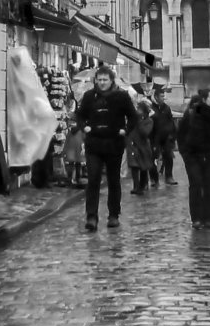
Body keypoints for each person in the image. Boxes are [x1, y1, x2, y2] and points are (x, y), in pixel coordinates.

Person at [73, 67, 138, 231]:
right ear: (96, 80)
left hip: (113, 143)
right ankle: (91, 216)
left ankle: (114, 214)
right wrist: (84, 127)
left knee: (113, 180)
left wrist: (126, 131)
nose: (102, 83)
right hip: (94, 143)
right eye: (99, 80)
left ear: (111, 80)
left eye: (105, 80)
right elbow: (80, 115)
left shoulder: (122, 96)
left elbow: (133, 116)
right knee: (93, 179)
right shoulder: (89, 96)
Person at [177, 88, 210, 230]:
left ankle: (208, 219)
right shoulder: (192, 114)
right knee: (195, 184)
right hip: (193, 155)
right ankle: (196, 218)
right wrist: (185, 153)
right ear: (204, 100)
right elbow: (181, 134)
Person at [126, 91, 156, 195]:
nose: (138, 111)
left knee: (143, 166)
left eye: (139, 110)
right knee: (134, 166)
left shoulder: (149, 121)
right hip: (132, 145)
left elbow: (145, 132)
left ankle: (143, 185)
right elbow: (128, 129)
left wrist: (139, 122)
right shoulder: (133, 119)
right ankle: (136, 186)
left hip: (142, 146)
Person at [149, 84, 178, 186]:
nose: (163, 98)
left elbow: (171, 121)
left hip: (166, 137)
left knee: (168, 157)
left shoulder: (166, 108)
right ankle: (153, 179)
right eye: (161, 96)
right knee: (152, 158)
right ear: (156, 97)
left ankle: (169, 177)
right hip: (154, 138)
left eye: (163, 96)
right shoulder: (151, 108)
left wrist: (173, 134)